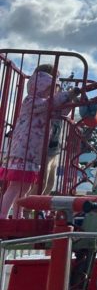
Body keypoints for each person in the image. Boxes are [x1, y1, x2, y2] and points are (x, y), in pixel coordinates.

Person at [0, 65, 78, 219]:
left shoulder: (46, 103)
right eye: (51, 87)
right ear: (40, 85)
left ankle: (17, 215)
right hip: (22, 150)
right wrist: (66, 96)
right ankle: (2, 215)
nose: (53, 90)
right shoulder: (31, 101)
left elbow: (58, 111)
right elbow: (49, 104)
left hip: (33, 152)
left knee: (25, 187)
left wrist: (71, 100)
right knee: (15, 186)